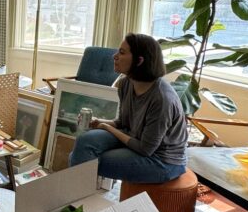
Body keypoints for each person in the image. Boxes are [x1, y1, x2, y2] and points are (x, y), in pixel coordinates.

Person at [69, 33, 188, 184]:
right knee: (84, 142)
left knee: (85, 160)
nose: (114, 56)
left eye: (122, 52)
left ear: (139, 61)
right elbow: (123, 123)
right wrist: (99, 122)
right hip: (135, 138)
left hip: (163, 160)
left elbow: (145, 149)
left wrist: (106, 127)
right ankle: (78, 195)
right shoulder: (126, 84)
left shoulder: (162, 99)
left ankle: (76, 197)